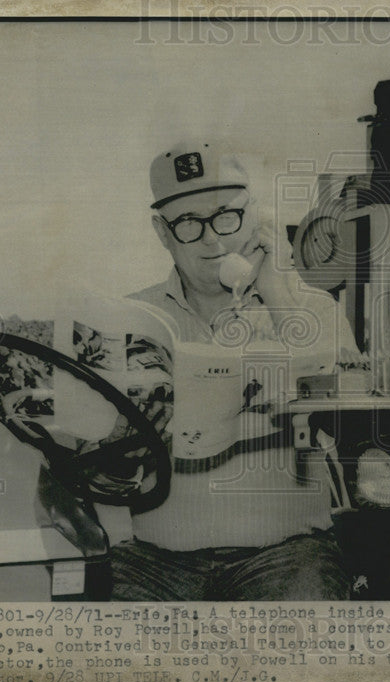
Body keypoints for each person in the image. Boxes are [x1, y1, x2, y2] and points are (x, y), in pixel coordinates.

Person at [108, 141, 357, 601]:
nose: (213, 239)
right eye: (188, 224)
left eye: (228, 216)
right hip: (155, 564)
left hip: (284, 557)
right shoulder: (131, 320)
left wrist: (278, 296)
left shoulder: (313, 311)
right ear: (162, 232)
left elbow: (347, 411)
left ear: (256, 217)